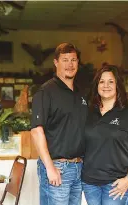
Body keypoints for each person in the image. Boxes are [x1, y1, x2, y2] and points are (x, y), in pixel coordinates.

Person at [82, 65, 128, 205]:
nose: (106, 85)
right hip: (90, 183)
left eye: (111, 81)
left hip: (117, 183)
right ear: (96, 86)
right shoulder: (88, 113)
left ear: (118, 85)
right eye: (101, 81)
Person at [31, 43, 88, 205]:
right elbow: (36, 131)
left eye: (73, 60)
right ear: (56, 62)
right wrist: (50, 168)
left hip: (78, 167)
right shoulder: (46, 92)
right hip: (57, 168)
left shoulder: (80, 93)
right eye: (65, 60)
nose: (70, 64)